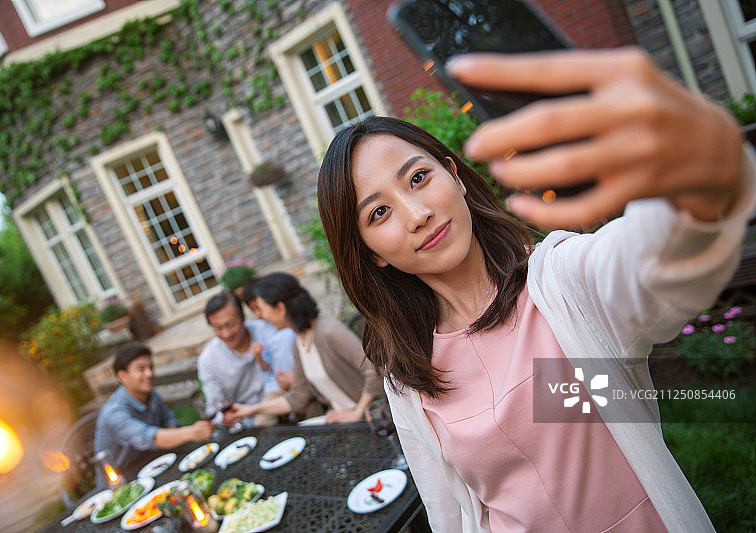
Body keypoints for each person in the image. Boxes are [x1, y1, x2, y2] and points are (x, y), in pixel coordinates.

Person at [316, 49, 755, 532]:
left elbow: (661, 261)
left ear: (455, 176)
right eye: (378, 213)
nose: (416, 213)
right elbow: (454, 516)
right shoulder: (409, 378)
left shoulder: (561, 284)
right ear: (371, 252)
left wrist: (701, 171)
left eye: (419, 178)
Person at [230, 272, 385, 424]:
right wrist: (251, 410)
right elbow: (298, 396)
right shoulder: (299, 343)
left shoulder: (329, 331)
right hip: (345, 421)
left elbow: (374, 370)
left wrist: (358, 411)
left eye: (261, 308)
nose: (260, 316)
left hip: (377, 419)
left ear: (280, 308)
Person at [94, 343, 214, 478]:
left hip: (154, 464)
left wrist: (171, 436)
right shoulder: (114, 412)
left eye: (151, 367)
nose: (149, 374)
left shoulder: (149, 394)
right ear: (123, 376)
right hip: (123, 481)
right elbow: (147, 437)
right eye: (141, 369)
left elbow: (168, 418)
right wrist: (191, 433)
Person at [198, 291, 293, 427]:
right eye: (218, 328)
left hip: (284, 402)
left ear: (243, 317)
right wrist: (225, 418)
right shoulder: (208, 359)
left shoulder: (269, 330)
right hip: (246, 422)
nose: (226, 333)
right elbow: (214, 405)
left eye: (231, 324)